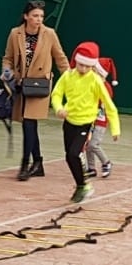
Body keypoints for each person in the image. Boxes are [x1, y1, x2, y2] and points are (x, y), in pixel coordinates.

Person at [0, 0, 69, 181]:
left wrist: (70, 80)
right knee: (29, 125)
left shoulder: (50, 34)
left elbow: (60, 58)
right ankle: (37, 162)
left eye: (41, 16)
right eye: (35, 16)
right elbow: (7, 58)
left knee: (29, 123)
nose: (39, 19)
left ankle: (25, 164)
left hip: (39, 86)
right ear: (26, 17)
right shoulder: (15, 34)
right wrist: (7, 74)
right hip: (21, 84)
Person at [49, 41, 121, 204]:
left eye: (88, 66)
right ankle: (82, 185)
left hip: (86, 123)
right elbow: (56, 94)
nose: (83, 69)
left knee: (75, 153)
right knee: (69, 157)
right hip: (69, 121)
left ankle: (84, 185)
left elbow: (109, 105)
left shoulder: (96, 81)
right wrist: (59, 108)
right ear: (76, 62)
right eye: (81, 65)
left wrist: (115, 128)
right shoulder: (67, 76)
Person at [84, 52, 119, 180]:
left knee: (94, 145)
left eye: (94, 69)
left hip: (100, 120)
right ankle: (91, 168)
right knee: (87, 145)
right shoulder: (90, 83)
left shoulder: (106, 87)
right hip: (90, 118)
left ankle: (106, 163)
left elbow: (105, 103)